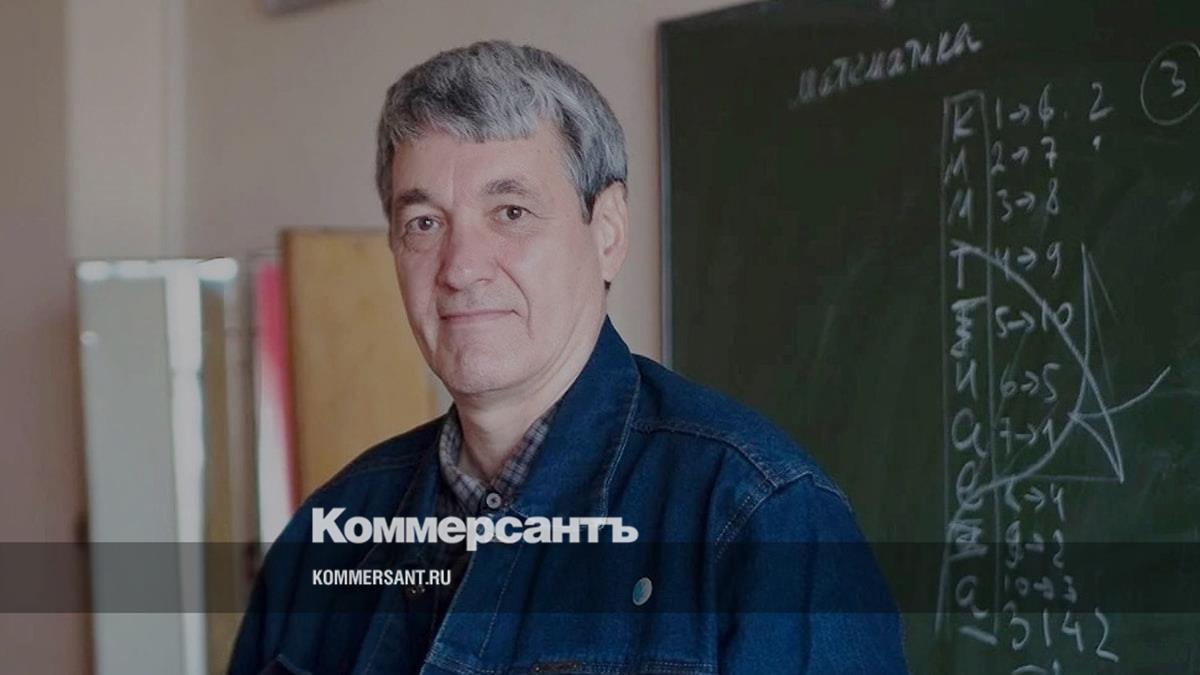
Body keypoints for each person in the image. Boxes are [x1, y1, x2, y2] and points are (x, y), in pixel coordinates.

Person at [228, 39, 907, 674]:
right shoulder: (329, 532)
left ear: (607, 233)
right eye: (424, 223)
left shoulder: (761, 518)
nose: (460, 268)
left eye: (511, 212)